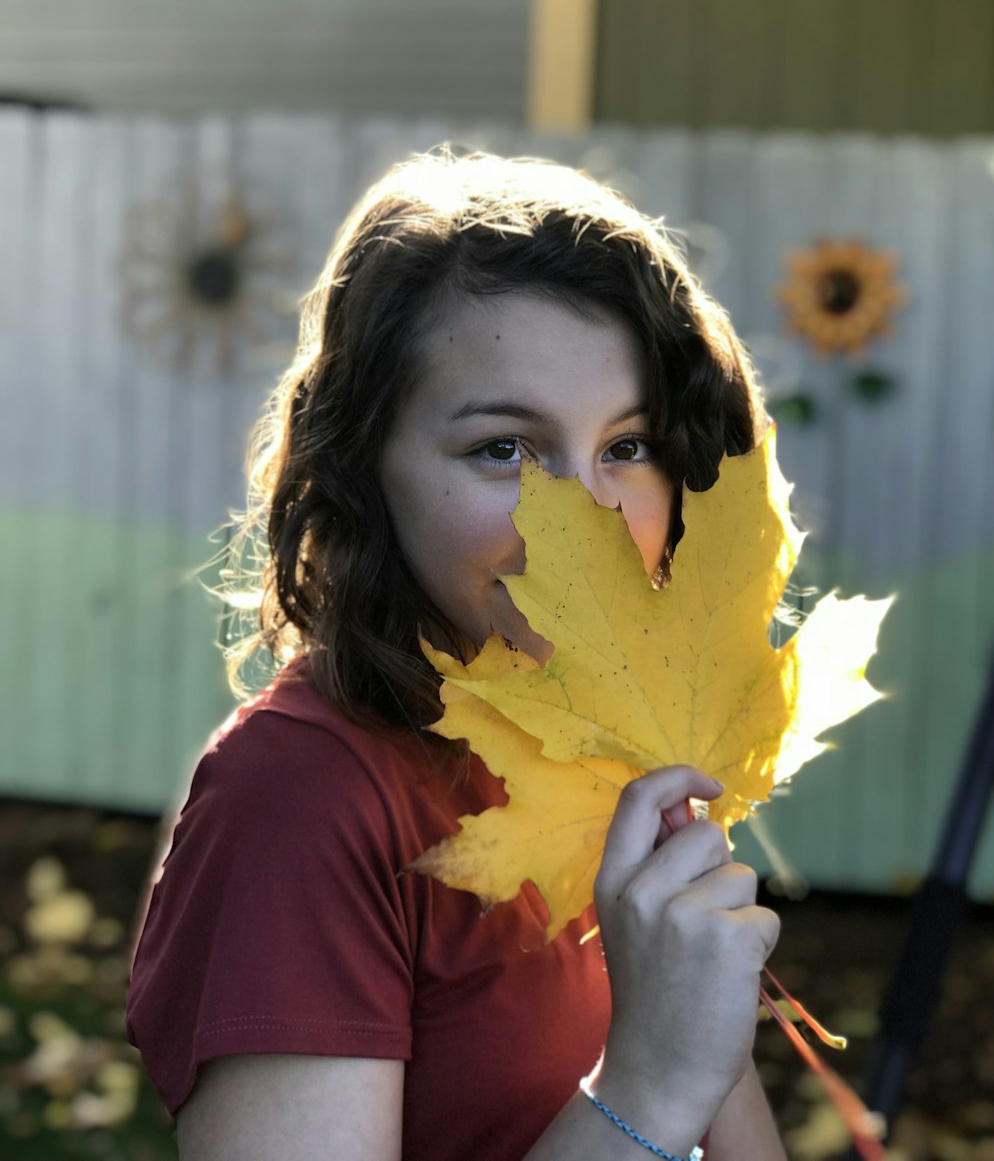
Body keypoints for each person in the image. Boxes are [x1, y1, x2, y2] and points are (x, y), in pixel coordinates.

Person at [125, 150, 785, 1161]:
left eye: (627, 447)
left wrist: (696, 1057)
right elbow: (670, 1086)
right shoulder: (299, 796)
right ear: (360, 467)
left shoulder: (617, 750)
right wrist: (647, 1086)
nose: (590, 523)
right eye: (503, 449)